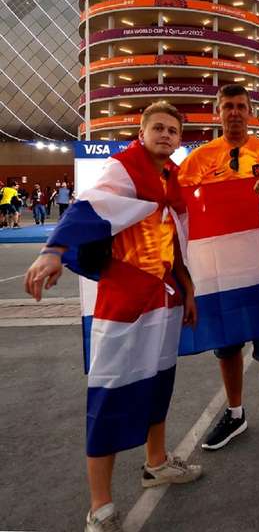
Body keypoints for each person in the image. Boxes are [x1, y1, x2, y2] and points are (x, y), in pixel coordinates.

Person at [24, 102, 202, 532]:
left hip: (164, 297)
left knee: (160, 382)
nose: (166, 135)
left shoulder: (170, 178)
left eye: (173, 130)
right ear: (141, 134)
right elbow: (88, 208)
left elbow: (175, 240)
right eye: (158, 128)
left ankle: (155, 462)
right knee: (108, 395)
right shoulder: (124, 169)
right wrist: (53, 251)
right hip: (125, 302)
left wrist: (188, 289)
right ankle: (99, 505)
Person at [179, 84, 259, 455]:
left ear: (250, 112)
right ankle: (235, 413)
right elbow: (179, 208)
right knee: (227, 345)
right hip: (220, 270)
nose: (234, 112)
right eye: (227, 107)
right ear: (217, 113)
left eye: (240, 106)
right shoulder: (198, 160)